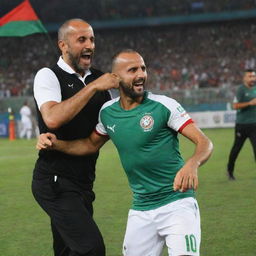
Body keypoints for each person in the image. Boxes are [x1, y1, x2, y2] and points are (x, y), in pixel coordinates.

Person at [37, 49, 213, 256]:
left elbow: (204, 142)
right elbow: (89, 145)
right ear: (116, 78)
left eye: (143, 68)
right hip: (141, 209)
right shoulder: (108, 112)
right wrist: (56, 144)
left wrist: (192, 164)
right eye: (132, 70)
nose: (141, 75)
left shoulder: (164, 105)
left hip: (177, 203)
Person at [32, 18, 120, 256]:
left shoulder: (102, 80)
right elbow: (52, 118)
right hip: (55, 181)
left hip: (84, 182)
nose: (89, 44)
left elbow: (94, 144)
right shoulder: (48, 76)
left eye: (91, 39)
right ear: (63, 45)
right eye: (81, 39)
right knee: (92, 248)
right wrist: (91, 88)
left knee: (68, 250)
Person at [227, 69, 256, 180]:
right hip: (242, 125)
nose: (252, 78)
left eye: (253, 76)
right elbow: (235, 106)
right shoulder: (241, 90)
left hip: (254, 125)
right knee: (236, 149)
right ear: (244, 78)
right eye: (250, 76)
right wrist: (250, 103)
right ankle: (230, 171)